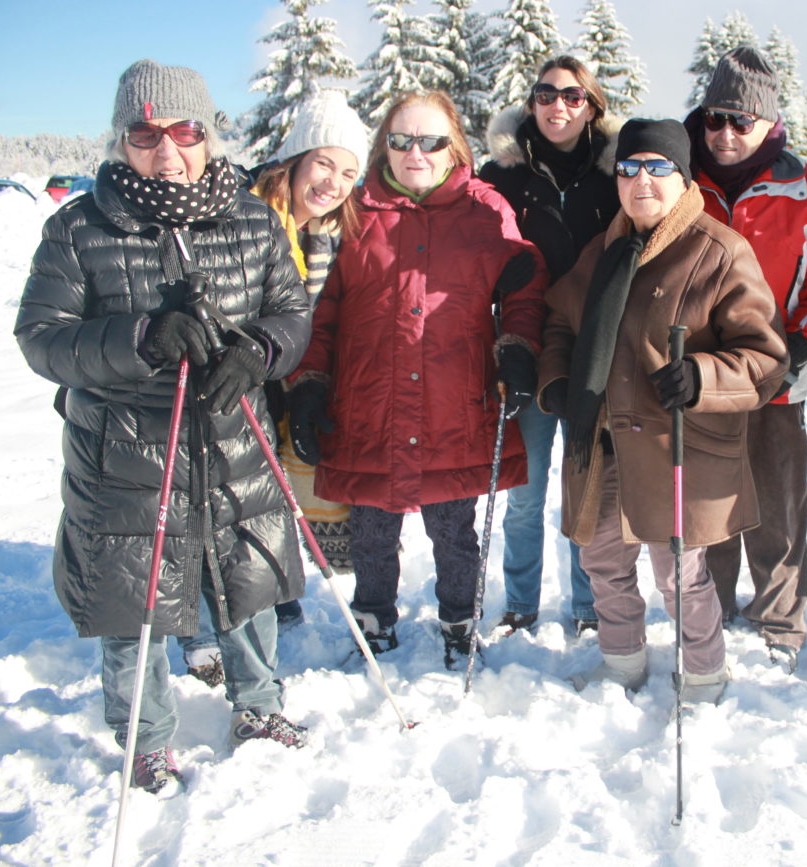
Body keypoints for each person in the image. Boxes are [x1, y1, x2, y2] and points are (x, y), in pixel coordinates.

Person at [14, 59, 313, 797]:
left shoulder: (252, 218)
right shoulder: (80, 227)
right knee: (134, 603)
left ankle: (259, 705)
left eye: (184, 130)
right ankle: (145, 739)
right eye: (145, 133)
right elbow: (43, 337)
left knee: (246, 581)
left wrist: (259, 352)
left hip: (232, 440)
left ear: (208, 134)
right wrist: (142, 337)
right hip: (125, 454)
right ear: (122, 140)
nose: (166, 149)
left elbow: (291, 311)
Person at [286, 91, 546, 668]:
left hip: (454, 403)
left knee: (454, 531)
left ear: (454, 144)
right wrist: (309, 380)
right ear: (385, 145)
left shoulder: (485, 211)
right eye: (401, 140)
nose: (416, 153)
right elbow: (322, 309)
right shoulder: (354, 212)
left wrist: (519, 348)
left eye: (431, 140)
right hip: (369, 403)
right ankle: (373, 620)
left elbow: (524, 287)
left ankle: (459, 621)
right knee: (372, 531)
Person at [538, 119, 788, 702]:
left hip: (679, 445)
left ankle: (703, 672)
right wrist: (556, 380)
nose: (640, 181)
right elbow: (558, 320)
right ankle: (622, 662)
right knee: (602, 560)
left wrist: (703, 374)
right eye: (628, 169)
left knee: (681, 576)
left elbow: (766, 357)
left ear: (682, 178)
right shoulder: (603, 249)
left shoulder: (719, 251)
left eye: (657, 168)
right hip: (600, 443)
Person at [685, 47, 807, 673]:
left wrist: (804, 344)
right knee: (708, 501)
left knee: (778, 498)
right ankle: (709, 607)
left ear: (768, 124)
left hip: (776, 378)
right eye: (715, 119)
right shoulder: (678, 179)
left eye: (741, 121)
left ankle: (780, 617)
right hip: (699, 377)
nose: (725, 134)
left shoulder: (804, 189)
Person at [478, 56, 621, 636]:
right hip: (525, 349)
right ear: (531, 102)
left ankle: (588, 606)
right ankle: (519, 603)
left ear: (592, 105)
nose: (557, 106)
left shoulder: (616, 174)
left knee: (586, 489)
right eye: (545, 94)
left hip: (595, 352)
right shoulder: (502, 176)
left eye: (572, 95)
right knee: (525, 492)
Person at [253, 88, 369, 627]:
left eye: (348, 173)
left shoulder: (329, 234)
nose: (333, 183)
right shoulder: (250, 217)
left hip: (288, 375)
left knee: (279, 481)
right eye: (324, 163)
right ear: (296, 160)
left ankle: (276, 583)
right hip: (244, 374)